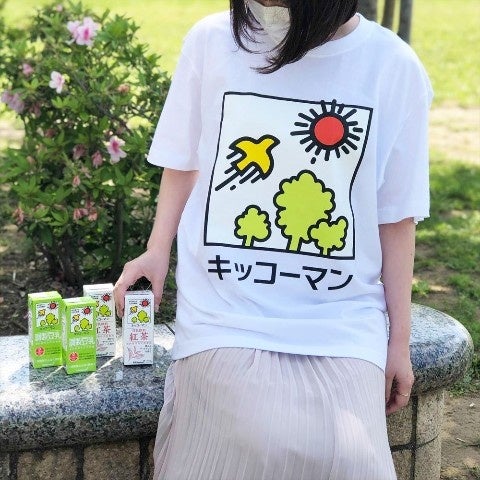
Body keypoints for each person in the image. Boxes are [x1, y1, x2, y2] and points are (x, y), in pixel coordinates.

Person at [114, 0, 432, 478]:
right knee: (248, 441)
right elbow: (182, 160)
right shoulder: (211, 41)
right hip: (225, 314)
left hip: (342, 323)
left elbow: (396, 217)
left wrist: (398, 343)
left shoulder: (392, 66)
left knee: (348, 457)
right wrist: (156, 251)